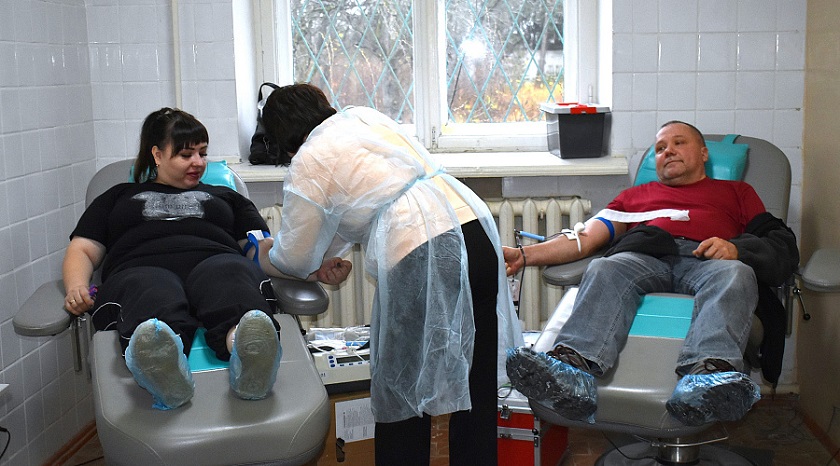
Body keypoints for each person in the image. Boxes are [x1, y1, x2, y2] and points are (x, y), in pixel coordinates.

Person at [257, 83, 522, 466]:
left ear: (283, 139)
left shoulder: (308, 159)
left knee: (404, 397)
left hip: (424, 247)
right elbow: (367, 202)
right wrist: (325, 261)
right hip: (473, 228)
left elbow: (295, 257)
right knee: (475, 388)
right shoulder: (362, 118)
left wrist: (265, 252)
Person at [503, 121, 799, 426]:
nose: (668, 151)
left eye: (679, 143)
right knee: (604, 266)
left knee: (736, 273)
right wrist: (524, 255)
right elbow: (584, 239)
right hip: (645, 257)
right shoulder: (634, 196)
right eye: (659, 149)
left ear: (704, 153)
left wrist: (737, 249)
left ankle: (706, 379)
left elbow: (777, 241)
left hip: (709, 261)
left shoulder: (736, 192)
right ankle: (572, 372)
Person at [62, 107, 350, 410]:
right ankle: (164, 370)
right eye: (186, 155)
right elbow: (83, 249)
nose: (198, 162)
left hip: (216, 261)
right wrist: (76, 287)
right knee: (151, 290)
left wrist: (311, 270)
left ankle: (248, 354)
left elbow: (262, 251)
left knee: (231, 274)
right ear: (157, 155)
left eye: (202, 153)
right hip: (141, 268)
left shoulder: (228, 198)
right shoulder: (117, 197)